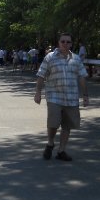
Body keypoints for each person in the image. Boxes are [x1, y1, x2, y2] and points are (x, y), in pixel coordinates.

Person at [34, 32, 89, 161]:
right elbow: (41, 75)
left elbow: (82, 77)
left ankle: (61, 150)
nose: (65, 44)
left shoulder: (76, 59)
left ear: (71, 43)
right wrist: (38, 92)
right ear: (58, 43)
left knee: (67, 126)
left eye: (68, 42)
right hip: (54, 97)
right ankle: (50, 142)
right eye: (63, 41)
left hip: (71, 98)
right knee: (53, 123)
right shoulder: (50, 57)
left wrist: (85, 95)